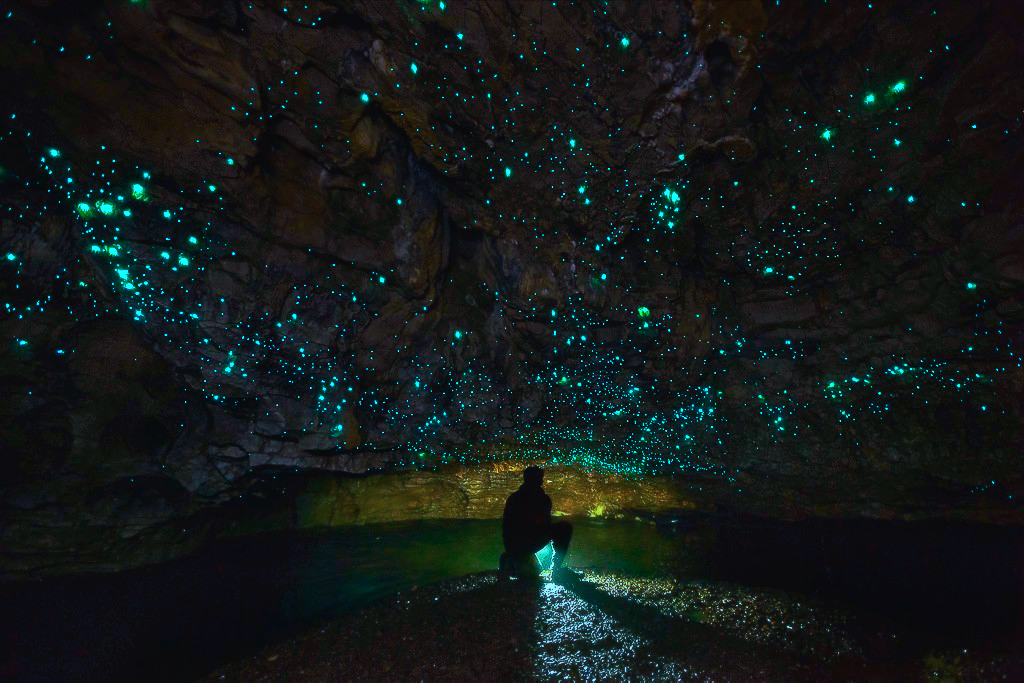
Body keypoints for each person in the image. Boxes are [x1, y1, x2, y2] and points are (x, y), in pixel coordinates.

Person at [498, 466, 573, 581]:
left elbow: (506, 527)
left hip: (514, 543)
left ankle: (514, 559)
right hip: (528, 542)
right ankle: (556, 568)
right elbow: (544, 527)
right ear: (540, 480)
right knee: (565, 528)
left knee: (532, 571)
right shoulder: (543, 499)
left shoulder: (514, 498)